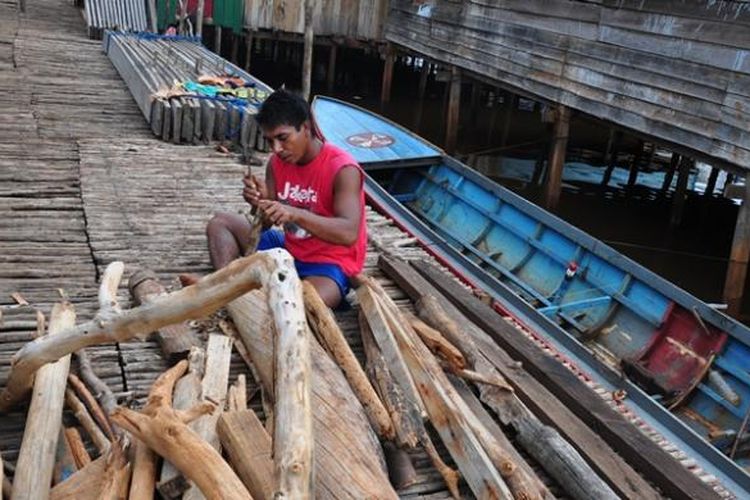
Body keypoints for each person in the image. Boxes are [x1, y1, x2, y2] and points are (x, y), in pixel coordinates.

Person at [204, 89, 367, 308]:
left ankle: (242, 294)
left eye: (283, 138)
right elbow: (266, 222)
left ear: (306, 128)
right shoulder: (276, 163)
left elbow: (348, 233)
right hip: (289, 248)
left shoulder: (342, 168)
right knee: (220, 223)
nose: (277, 149)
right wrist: (260, 203)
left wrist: (295, 213)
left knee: (301, 305)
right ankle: (225, 285)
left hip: (329, 262)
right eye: (270, 141)